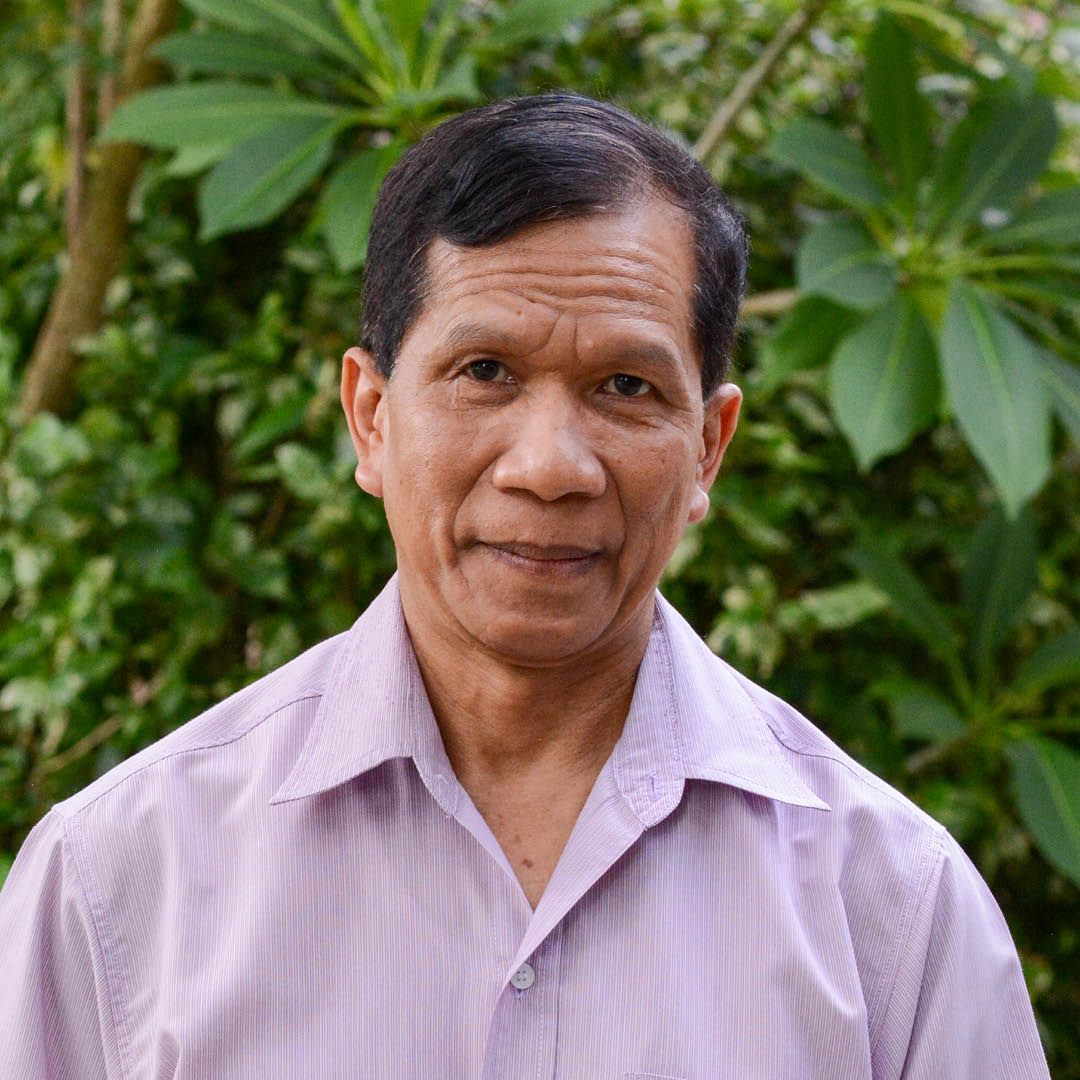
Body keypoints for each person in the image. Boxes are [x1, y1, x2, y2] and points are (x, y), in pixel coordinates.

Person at [0, 93, 1049, 1079]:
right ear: (371, 416)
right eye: (484, 372)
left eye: (626, 387)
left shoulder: (895, 913)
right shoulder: (121, 883)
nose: (550, 465)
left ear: (707, 450)